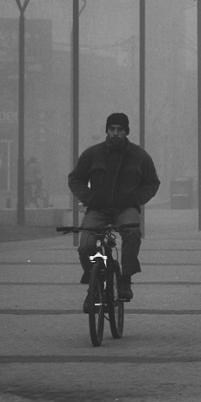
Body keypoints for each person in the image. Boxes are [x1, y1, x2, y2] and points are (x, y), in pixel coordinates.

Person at [68, 112, 160, 304]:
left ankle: (125, 279)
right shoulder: (92, 154)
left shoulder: (139, 156)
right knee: (85, 245)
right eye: (112, 129)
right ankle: (93, 281)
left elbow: (152, 182)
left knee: (133, 234)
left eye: (120, 130)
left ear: (126, 131)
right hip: (97, 208)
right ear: (107, 131)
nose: (115, 133)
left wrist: (135, 199)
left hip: (126, 208)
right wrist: (89, 197)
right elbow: (75, 179)